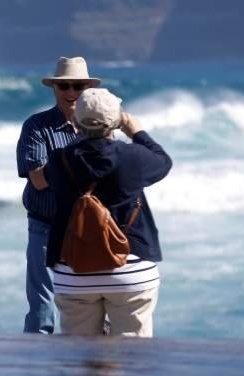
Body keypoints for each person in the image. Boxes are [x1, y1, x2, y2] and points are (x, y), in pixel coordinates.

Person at [44, 88, 172, 337]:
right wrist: (137, 132)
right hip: (131, 270)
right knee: (132, 360)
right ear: (115, 121)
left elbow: (55, 176)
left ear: (75, 120)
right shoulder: (134, 157)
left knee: (79, 359)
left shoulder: (59, 160)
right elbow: (163, 161)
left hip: (73, 273)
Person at [16, 56, 101, 334]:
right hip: (45, 226)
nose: (71, 93)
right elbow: (38, 180)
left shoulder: (98, 128)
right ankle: (38, 365)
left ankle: (85, 366)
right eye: (64, 87)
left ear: (86, 89)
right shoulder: (36, 126)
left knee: (91, 303)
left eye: (77, 86)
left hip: (86, 229)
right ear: (54, 89)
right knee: (43, 305)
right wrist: (78, 163)